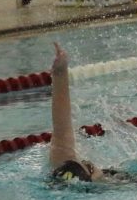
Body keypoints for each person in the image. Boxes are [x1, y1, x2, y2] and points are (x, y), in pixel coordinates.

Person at [49, 43, 119, 182]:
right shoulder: (111, 184)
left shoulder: (63, 164)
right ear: (92, 174)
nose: (86, 161)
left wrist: (60, 73)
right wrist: (60, 73)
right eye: (87, 166)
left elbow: (62, 130)